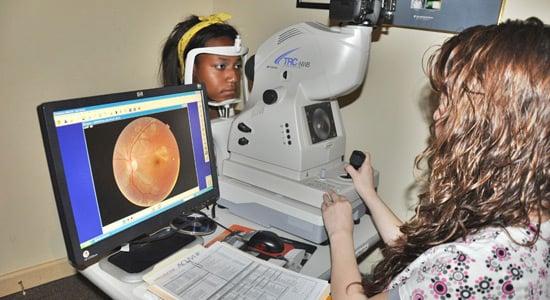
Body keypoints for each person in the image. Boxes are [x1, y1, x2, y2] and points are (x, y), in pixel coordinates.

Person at [322, 17, 549, 299]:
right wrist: (368, 194)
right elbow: (421, 258)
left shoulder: (471, 267)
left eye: (452, 100)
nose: (438, 113)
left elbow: (448, 269)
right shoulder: (529, 224)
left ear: (503, 125)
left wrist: (340, 233)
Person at [160, 13, 243, 118]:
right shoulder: (169, 126)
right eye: (221, 66)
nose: (234, 78)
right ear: (190, 68)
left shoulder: (242, 119)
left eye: (237, 66)